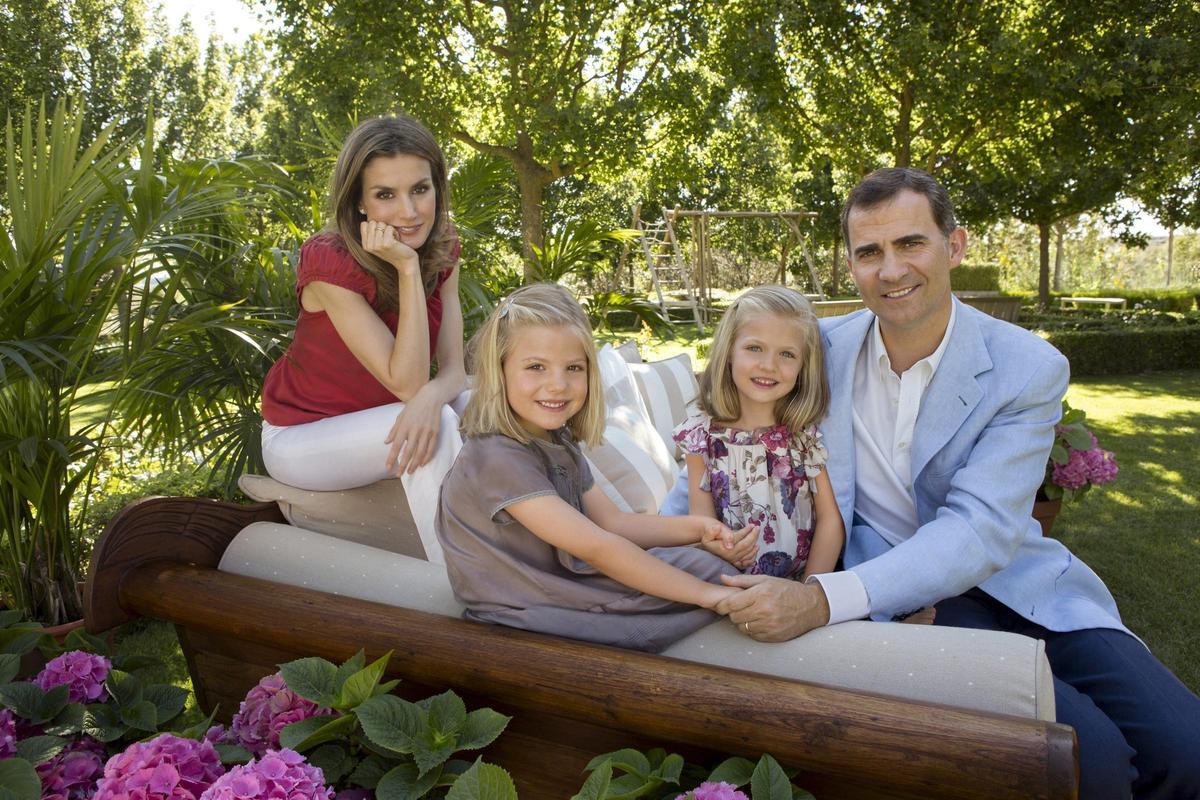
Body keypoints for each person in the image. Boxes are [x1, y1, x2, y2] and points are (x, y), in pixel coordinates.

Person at [675, 167, 1198, 798]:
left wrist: (821, 598)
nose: (890, 270)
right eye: (869, 252)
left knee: (1187, 749)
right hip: (911, 601)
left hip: (1019, 582)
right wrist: (654, 547)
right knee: (1094, 762)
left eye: (910, 243)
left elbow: (982, 529)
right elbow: (724, 447)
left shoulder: (1027, 366)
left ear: (955, 245)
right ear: (852, 266)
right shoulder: (812, 352)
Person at [435, 283, 757, 652]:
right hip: (525, 603)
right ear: (499, 371)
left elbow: (613, 523)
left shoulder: (557, 441)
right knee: (713, 583)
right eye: (536, 367)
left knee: (705, 564)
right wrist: (711, 597)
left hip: (566, 579)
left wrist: (697, 529)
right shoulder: (495, 456)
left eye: (573, 368)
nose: (557, 385)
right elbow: (599, 547)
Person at [260, 115, 467, 560]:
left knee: (485, 404)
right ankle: (462, 584)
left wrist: (431, 399)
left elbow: (454, 371)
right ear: (359, 203)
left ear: (438, 188)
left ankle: (566, 537)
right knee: (443, 425)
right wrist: (407, 268)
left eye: (420, 189)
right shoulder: (330, 264)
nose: (409, 212)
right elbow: (407, 382)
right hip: (303, 436)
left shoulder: (445, 249)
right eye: (385, 195)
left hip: (387, 418)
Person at [672, 286, 843, 583]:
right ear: (729, 353)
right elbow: (701, 525)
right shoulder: (702, 436)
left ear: (804, 367)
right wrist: (719, 547)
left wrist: (810, 592)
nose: (768, 365)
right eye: (754, 348)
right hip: (727, 584)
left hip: (800, 586)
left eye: (787, 354)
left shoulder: (804, 436)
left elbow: (830, 521)